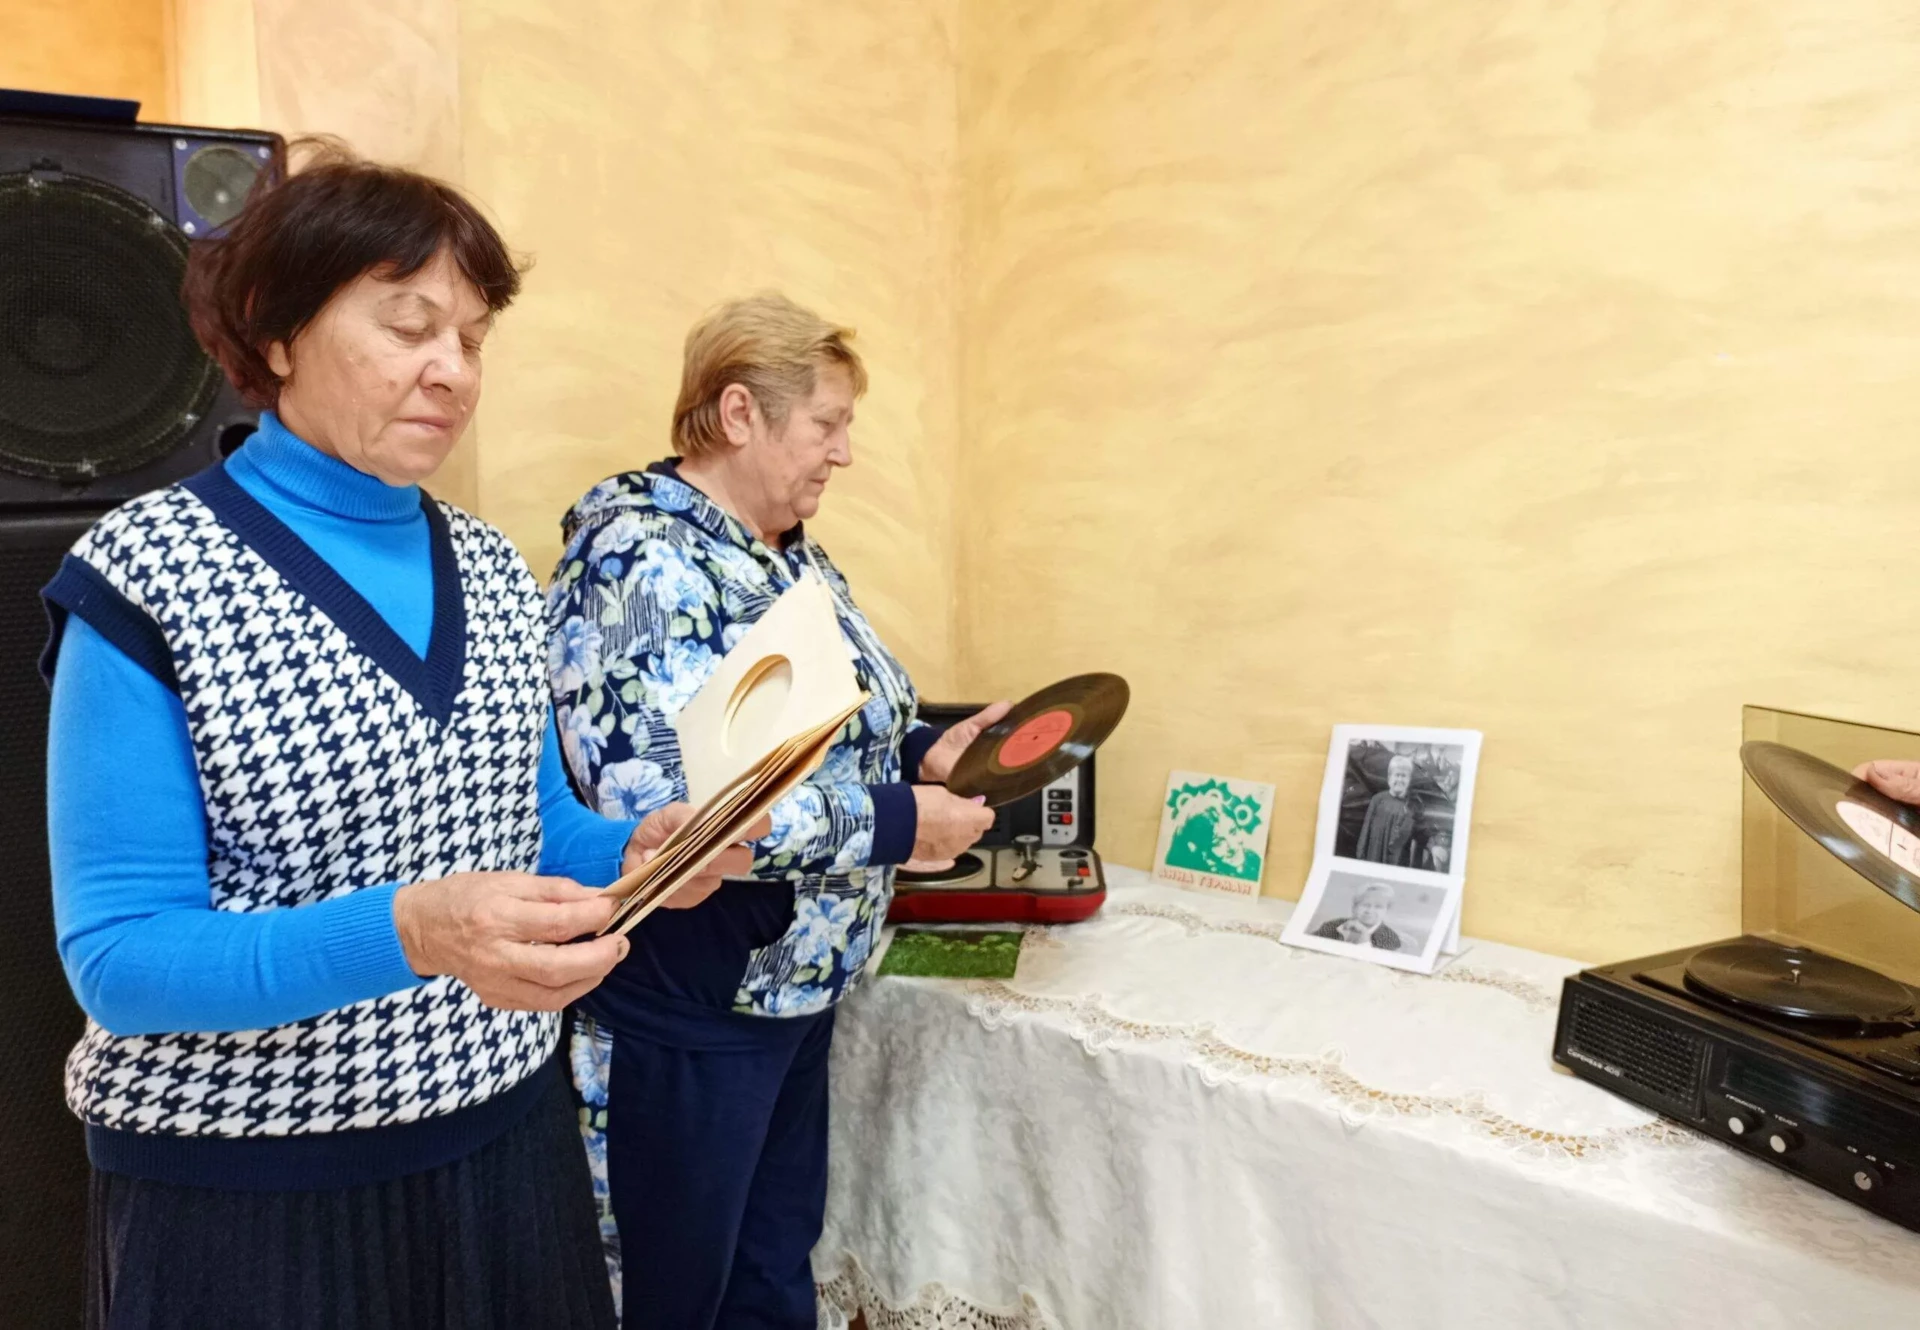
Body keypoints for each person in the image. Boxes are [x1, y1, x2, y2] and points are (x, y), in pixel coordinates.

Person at [41, 147, 754, 1330]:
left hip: (504, 1142)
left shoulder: (490, 565)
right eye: (409, 326)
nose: (452, 370)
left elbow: (531, 826)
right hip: (250, 1191)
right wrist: (414, 930)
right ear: (277, 333)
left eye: (471, 337)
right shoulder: (146, 575)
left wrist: (635, 857)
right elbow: (120, 958)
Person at [545, 292, 1002, 1329]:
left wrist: (928, 752)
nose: (844, 452)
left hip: (791, 990)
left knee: (770, 1274)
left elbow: (819, 727)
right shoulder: (637, 557)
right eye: (827, 424)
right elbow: (673, 817)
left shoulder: (784, 547)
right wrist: (901, 823)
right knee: (674, 1298)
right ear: (740, 412)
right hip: (694, 1005)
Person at [1354, 753, 1419, 864]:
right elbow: (1366, 829)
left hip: (1396, 860)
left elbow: (1419, 832)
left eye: (1404, 776)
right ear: (1389, 778)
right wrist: (1360, 855)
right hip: (1374, 854)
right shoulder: (1378, 800)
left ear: (1409, 780)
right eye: (1396, 775)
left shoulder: (1412, 805)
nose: (1399, 779)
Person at [1314, 882, 1405, 950]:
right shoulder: (1332, 925)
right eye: (1365, 905)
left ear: (1386, 911)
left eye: (1378, 907)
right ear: (1354, 907)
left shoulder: (1391, 938)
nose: (1369, 911)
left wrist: (1364, 938)